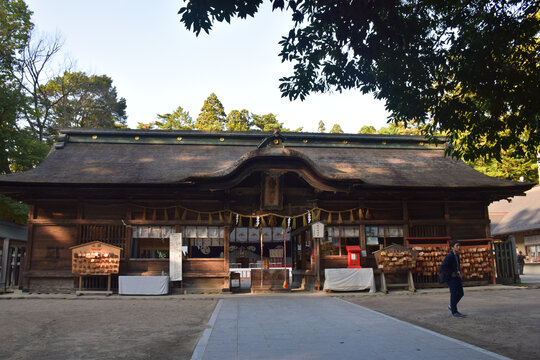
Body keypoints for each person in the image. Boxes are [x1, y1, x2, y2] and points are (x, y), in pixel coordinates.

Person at [440, 239, 466, 317]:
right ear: (452, 247)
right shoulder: (450, 256)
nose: (459, 247)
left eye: (459, 245)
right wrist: (451, 273)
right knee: (454, 293)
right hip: (451, 277)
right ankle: (454, 311)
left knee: (461, 293)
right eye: (457, 246)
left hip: (457, 276)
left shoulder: (457, 255)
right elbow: (443, 266)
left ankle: (452, 306)